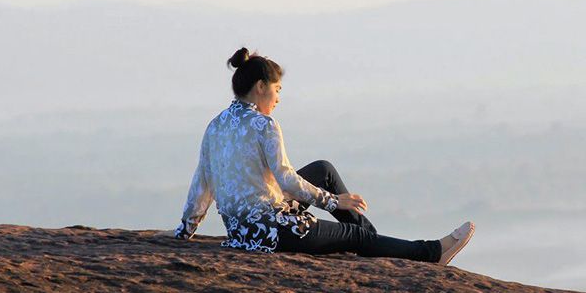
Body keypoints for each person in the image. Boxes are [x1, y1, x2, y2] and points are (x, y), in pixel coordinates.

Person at [170, 47, 475, 265]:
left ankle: (375, 243)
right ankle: (432, 252)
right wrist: (333, 201)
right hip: (274, 232)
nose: (278, 97)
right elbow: (286, 178)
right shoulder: (265, 124)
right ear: (260, 86)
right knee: (356, 237)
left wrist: (185, 232)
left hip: (241, 230)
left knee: (322, 170)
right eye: (277, 88)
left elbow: (202, 184)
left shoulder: (215, 125)